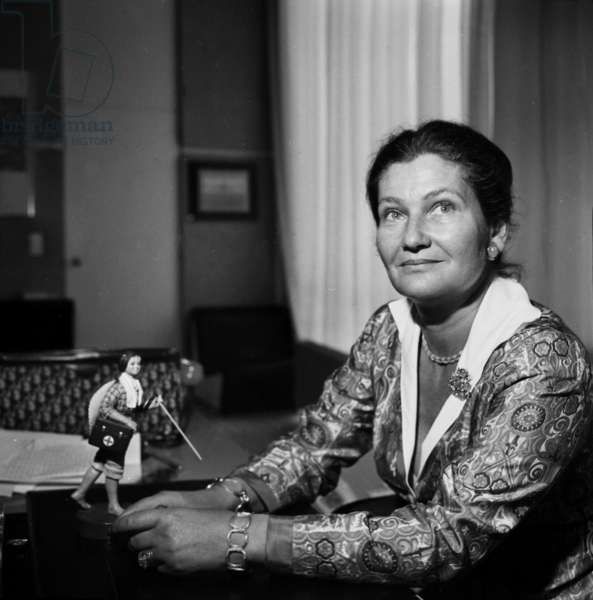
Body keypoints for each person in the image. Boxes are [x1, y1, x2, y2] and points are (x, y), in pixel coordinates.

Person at [112, 121, 593, 598]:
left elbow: (450, 536)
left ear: (495, 232)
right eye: (393, 213)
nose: (413, 237)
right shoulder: (390, 328)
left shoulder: (544, 361)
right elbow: (316, 446)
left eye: (442, 207)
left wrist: (239, 537)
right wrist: (215, 498)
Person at [71, 352, 160, 516]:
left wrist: (150, 405)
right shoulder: (119, 387)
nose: (136, 367)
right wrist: (126, 421)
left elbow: (132, 408)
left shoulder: (134, 385)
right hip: (115, 433)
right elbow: (105, 407)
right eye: (132, 364)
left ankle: (79, 493)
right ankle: (113, 505)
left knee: (99, 463)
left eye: (138, 364)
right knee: (115, 468)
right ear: (124, 366)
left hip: (122, 432)